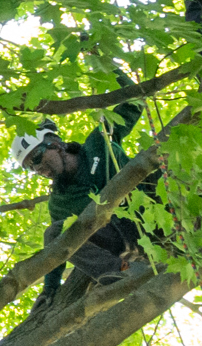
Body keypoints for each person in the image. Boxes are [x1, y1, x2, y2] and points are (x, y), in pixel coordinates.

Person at [10, 89, 159, 311]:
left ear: (55, 144)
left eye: (38, 158)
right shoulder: (60, 202)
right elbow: (58, 248)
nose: (39, 168)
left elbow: (135, 99)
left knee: (161, 162)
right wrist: (49, 289)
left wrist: (99, 55)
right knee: (55, 231)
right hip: (126, 239)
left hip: (155, 213)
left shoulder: (99, 143)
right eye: (31, 167)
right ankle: (123, 271)